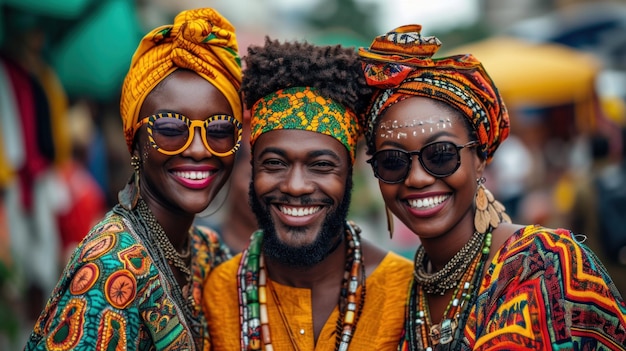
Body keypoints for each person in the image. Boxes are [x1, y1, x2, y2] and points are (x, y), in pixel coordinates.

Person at [359, 24, 626, 350]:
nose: (416, 178)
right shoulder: (394, 294)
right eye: (392, 161)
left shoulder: (546, 264)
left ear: (481, 158)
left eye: (441, 155)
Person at [24, 8, 242, 350]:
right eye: (170, 128)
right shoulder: (110, 271)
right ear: (135, 142)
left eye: (219, 129)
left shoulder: (202, 251)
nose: (199, 149)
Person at [203, 38, 414, 350]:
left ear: (350, 171)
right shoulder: (218, 293)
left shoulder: (405, 288)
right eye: (274, 163)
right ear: (252, 168)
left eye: (321, 165)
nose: (295, 186)